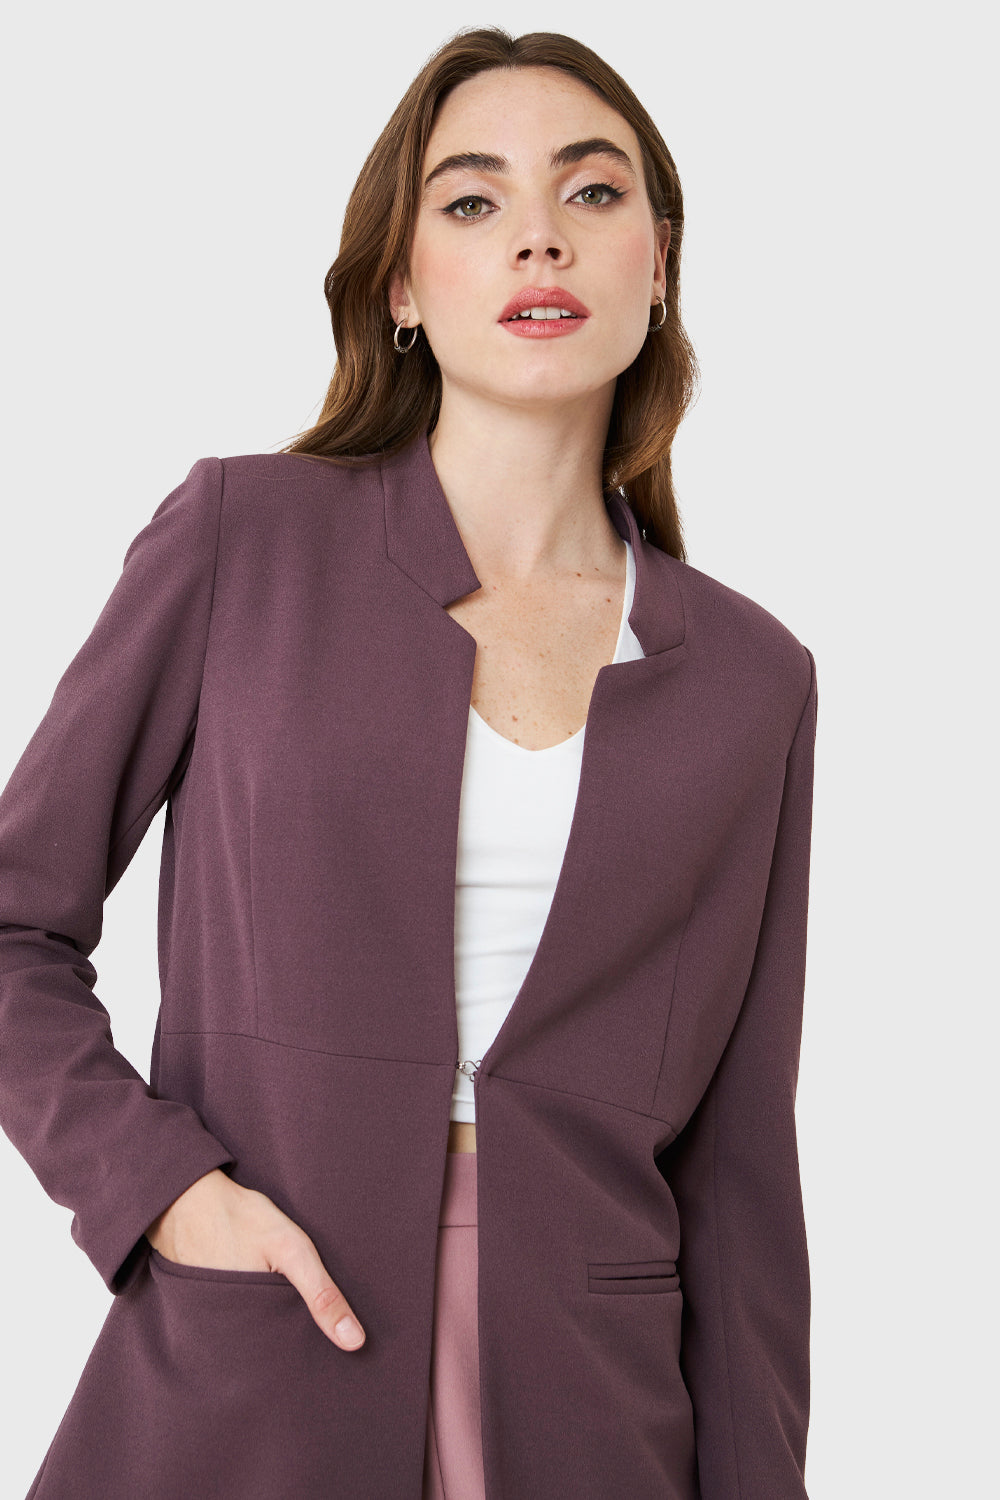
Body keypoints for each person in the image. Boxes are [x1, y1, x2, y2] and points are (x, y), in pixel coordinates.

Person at [0, 26, 819, 1500]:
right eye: (473, 201)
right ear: (400, 284)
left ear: (658, 264)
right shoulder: (242, 541)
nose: (538, 239)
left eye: (592, 193)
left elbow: (742, 1164)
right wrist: (160, 1189)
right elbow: (12, 925)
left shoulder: (753, 680)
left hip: (599, 1416)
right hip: (252, 1369)